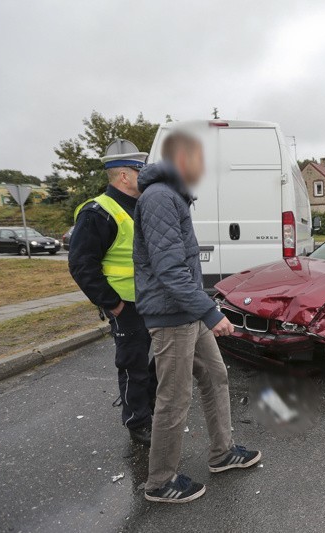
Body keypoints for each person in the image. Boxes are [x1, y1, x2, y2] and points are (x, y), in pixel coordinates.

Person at [134, 130, 261, 504]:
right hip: (172, 316)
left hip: (187, 311)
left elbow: (185, 267)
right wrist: (209, 312)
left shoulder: (173, 195)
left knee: (216, 376)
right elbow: (170, 270)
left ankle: (222, 453)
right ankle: (159, 481)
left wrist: (206, 304)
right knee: (174, 397)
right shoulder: (159, 198)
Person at [69, 139, 156, 446]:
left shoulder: (142, 204)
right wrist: (113, 304)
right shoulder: (98, 212)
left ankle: (151, 411)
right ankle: (138, 423)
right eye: (139, 170)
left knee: (155, 363)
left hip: (152, 301)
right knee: (134, 365)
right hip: (127, 305)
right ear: (124, 176)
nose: (144, 176)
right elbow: (82, 265)